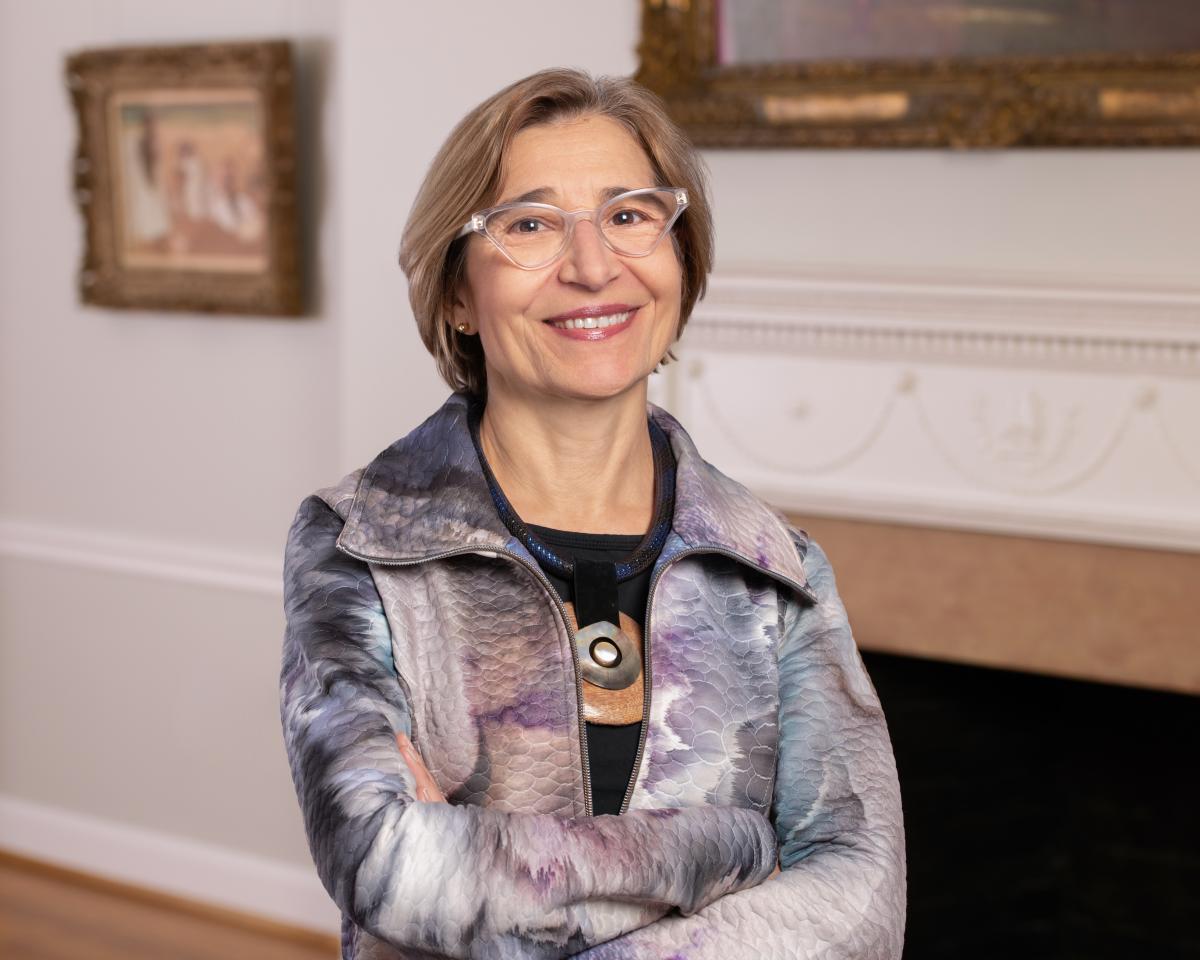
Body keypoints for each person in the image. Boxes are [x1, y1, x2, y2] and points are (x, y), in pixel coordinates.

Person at [279, 68, 905, 960]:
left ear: (680, 261)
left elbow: (862, 908)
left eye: (630, 215)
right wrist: (732, 848)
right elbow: (388, 867)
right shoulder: (360, 545)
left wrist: (486, 868)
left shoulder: (776, 566)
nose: (592, 265)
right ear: (458, 294)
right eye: (530, 224)